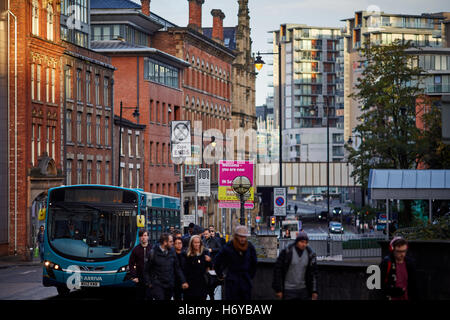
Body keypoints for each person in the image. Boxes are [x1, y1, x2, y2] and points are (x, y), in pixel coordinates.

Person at [214, 225, 257, 300]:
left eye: (244, 237)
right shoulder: (229, 246)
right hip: (232, 281)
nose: (243, 239)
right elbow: (217, 261)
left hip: (245, 280)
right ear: (236, 236)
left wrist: (249, 276)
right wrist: (220, 274)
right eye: (240, 236)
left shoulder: (249, 247)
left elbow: (254, 263)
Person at [272, 231, 319, 300]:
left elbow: (313, 273)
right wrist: (279, 289)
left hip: (303, 289)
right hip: (288, 289)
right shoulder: (287, 252)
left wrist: (314, 291)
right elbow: (278, 270)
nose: (304, 244)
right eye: (302, 242)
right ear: (297, 242)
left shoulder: (310, 254)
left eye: (306, 242)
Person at [144, 233, 189, 300]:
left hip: (169, 285)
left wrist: (183, 281)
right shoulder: (153, 253)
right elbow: (146, 270)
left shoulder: (172, 252)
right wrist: (149, 283)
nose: (172, 243)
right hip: (157, 285)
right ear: (165, 242)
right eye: (170, 241)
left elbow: (177, 268)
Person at [183, 235, 212, 301]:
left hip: (201, 284)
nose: (197, 244)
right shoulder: (187, 255)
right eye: (195, 242)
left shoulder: (204, 253)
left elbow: (209, 267)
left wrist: (209, 261)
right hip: (190, 284)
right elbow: (185, 270)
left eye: (198, 242)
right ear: (191, 243)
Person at [128, 229, 152, 300]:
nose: (143, 237)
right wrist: (134, 276)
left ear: (148, 237)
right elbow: (131, 263)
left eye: (145, 235)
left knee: (150, 297)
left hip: (150, 279)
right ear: (139, 238)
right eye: (141, 236)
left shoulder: (152, 248)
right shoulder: (136, 249)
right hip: (139, 278)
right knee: (140, 296)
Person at [202, 229, 222, 300]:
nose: (205, 235)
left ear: (210, 233)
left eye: (207, 234)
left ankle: (211, 294)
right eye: (204, 234)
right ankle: (208, 293)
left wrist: (212, 250)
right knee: (206, 280)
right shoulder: (203, 241)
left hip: (213, 263)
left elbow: (220, 249)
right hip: (205, 263)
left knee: (212, 281)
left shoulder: (215, 240)